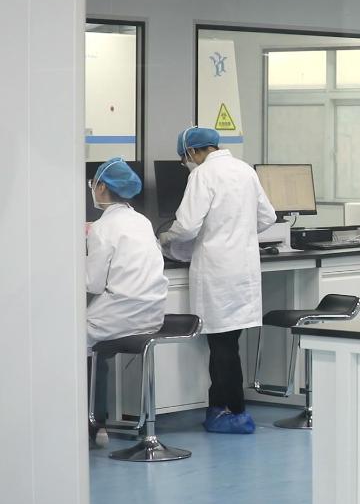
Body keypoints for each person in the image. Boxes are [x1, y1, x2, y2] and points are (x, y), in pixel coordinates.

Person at [160, 127, 277, 434]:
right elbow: (267, 217)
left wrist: (166, 239)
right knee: (227, 342)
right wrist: (239, 231)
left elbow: (187, 227)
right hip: (243, 269)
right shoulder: (244, 170)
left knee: (222, 346)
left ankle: (236, 413)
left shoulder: (202, 175)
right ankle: (219, 408)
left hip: (217, 270)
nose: (186, 163)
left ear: (192, 151)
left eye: (184, 157)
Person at [86, 157, 168, 447]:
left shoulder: (102, 228)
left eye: (93, 183)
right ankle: (101, 425)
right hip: (151, 315)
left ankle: (94, 425)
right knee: (94, 343)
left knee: (78, 343)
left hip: (119, 316)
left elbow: (93, 283)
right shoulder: (142, 221)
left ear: (102, 187)